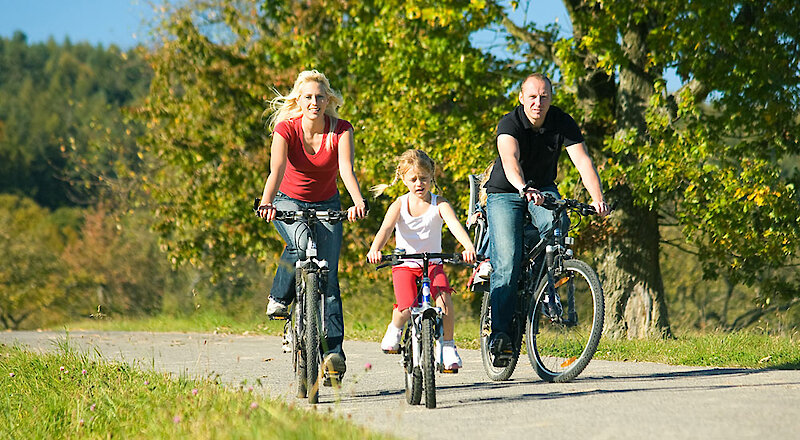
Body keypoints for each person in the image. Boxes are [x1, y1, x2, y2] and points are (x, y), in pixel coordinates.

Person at [484, 73, 610, 366]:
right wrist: (522, 187)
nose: (537, 102)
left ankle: (544, 283)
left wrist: (597, 198)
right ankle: (500, 336)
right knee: (508, 261)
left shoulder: (562, 121)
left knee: (559, 222)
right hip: (506, 191)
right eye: (532, 96)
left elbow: (582, 161)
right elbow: (510, 159)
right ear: (521, 98)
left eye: (543, 97)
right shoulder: (509, 123)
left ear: (551, 99)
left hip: (542, 188)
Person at [256, 69, 367, 382]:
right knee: (300, 245)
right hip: (287, 201)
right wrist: (266, 202)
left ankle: (334, 355)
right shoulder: (285, 129)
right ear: (298, 100)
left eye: (320, 96)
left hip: (327, 204)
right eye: (308, 97)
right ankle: (279, 297)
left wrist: (357, 202)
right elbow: (276, 169)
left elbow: (346, 169)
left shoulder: (341, 130)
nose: (314, 102)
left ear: (328, 99)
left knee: (329, 280)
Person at [366, 149, 476, 371]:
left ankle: (447, 346)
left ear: (432, 178)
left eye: (424, 178)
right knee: (406, 308)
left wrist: (468, 247)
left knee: (444, 299)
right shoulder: (399, 204)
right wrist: (375, 249)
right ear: (404, 179)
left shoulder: (439, 204)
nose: (419, 184)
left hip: (433, 264)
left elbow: (455, 225)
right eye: (413, 179)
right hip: (405, 265)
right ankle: (395, 328)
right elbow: (385, 229)